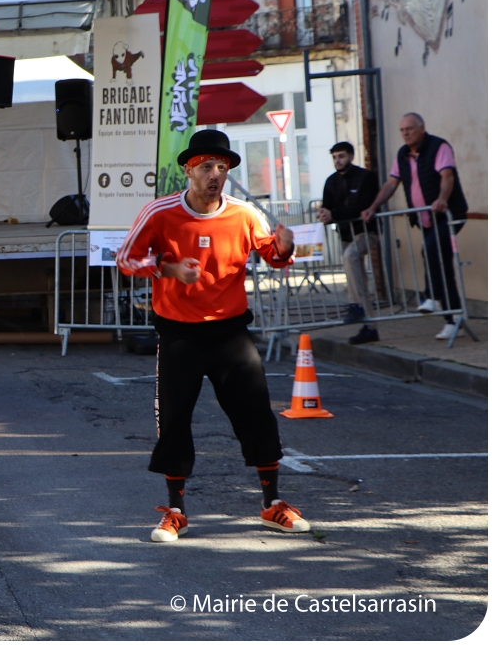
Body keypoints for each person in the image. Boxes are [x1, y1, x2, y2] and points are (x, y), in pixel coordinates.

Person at [118, 129, 310, 543]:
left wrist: (285, 247)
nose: (215, 175)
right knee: (174, 421)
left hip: (229, 332)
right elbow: (125, 258)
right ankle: (175, 511)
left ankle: (272, 504)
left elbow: (273, 257)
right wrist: (168, 269)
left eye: (221, 167)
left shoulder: (244, 213)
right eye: (206, 166)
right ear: (188, 170)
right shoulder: (160, 213)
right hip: (179, 334)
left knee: (257, 414)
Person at [361, 113, 468, 342]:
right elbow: (391, 183)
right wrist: (373, 207)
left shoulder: (439, 147)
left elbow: (447, 176)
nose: (405, 133)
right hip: (425, 219)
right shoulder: (403, 154)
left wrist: (441, 199)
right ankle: (453, 318)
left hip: (448, 214)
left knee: (430, 250)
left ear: (422, 128)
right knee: (442, 263)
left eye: (409, 128)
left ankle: (432, 296)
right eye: (402, 130)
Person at [317, 141, 380, 344]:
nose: (338, 160)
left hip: (365, 232)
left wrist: (333, 214)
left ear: (351, 156)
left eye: (342, 156)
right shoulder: (331, 181)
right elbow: (327, 208)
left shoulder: (366, 177)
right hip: (345, 235)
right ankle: (370, 327)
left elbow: (363, 207)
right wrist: (325, 215)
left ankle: (355, 305)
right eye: (335, 157)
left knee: (350, 256)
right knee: (358, 279)